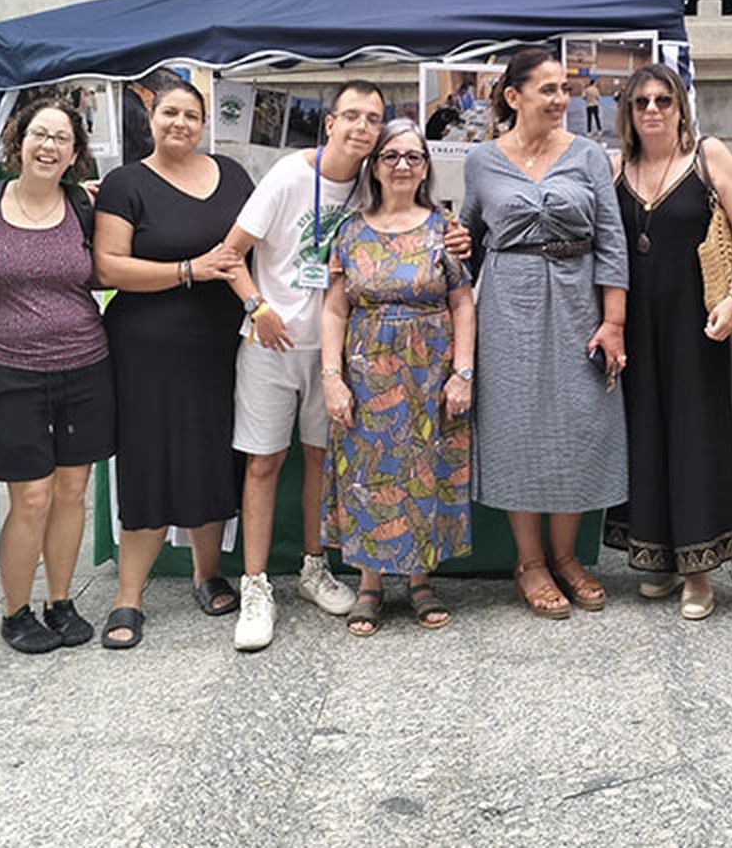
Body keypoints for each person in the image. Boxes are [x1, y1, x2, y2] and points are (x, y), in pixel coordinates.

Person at [461, 47, 628, 619]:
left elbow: (611, 239)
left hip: (580, 302)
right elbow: (470, 235)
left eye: (565, 89)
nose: (561, 100)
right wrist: (455, 250)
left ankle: (567, 556)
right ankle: (529, 562)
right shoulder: (482, 160)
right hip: (509, 305)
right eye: (548, 90)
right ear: (514, 97)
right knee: (518, 428)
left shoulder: (588, 155)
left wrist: (613, 321)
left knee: (579, 423)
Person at [222, 81, 388, 650]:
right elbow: (229, 255)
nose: (362, 128)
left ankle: (314, 568)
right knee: (264, 464)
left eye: (373, 119)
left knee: (322, 460)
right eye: (352, 117)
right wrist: (257, 306)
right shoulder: (291, 176)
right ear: (330, 122)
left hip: (333, 351)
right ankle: (255, 585)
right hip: (271, 346)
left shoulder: (372, 184)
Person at [93, 78, 252, 648]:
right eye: (170, 113)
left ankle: (207, 573)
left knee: (212, 458)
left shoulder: (232, 176)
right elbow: (108, 267)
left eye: (191, 114)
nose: (180, 123)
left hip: (219, 346)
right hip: (146, 350)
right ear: (152, 118)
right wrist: (188, 270)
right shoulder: (125, 182)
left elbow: (258, 245)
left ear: (204, 123)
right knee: (149, 464)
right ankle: (128, 596)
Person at [605, 62, 732, 620]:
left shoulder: (709, 157)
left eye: (662, 100)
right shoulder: (617, 166)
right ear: (627, 111)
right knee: (643, 431)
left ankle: (699, 569)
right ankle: (659, 558)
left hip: (698, 320)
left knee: (694, 434)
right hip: (635, 321)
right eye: (640, 101)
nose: (651, 110)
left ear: (680, 106)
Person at [0, 98, 112, 654]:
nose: (48, 147)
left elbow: (103, 270)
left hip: (84, 365)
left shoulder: (83, 208)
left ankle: (61, 600)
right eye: (39, 135)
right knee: (30, 496)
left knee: (72, 489)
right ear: (17, 141)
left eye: (61, 140)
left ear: (75, 155)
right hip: (6, 370)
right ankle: (15, 610)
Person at [320, 120, 476, 634]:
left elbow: (463, 304)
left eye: (414, 156)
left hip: (430, 372)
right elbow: (335, 309)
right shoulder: (351, 231)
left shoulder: (444, 229)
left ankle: (419, 580)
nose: (403, 165)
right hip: (366, 372)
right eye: (391, 156)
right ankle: (369, 584)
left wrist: (463, 374)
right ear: (375, 166)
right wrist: (332, 377)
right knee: (367, 473)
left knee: (424, 468)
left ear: (426, 167)